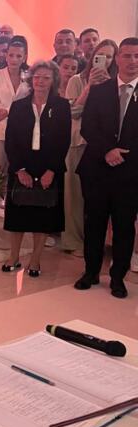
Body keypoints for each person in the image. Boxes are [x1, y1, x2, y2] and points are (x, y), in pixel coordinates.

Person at [75, 37, 138, 299]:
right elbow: (88, 126)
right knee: (94, 223)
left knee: (124, 226)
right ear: (118, 59)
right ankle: (90, 272)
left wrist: (122, 154)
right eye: (127, 55)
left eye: (137, 56)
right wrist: (107, 151)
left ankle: (117, 277)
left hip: (131, 171)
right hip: (97, 169)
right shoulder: (100, 89)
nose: (132, 61)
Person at [1, 60, 71, 277]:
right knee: (17, 215)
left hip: (49, 165)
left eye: (46, 78)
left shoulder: (62, 106)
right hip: (22, 164)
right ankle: (13, 257)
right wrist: (19, 169)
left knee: (43, 216)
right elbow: (10, 140)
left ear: (53, 80)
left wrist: (52, 170)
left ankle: (35, 260)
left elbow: (64, 141)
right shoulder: (18, 106)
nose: (40, 81)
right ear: (31, 79)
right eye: (37, 77)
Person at [62, 40, 118, 256]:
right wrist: (89, 86)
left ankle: (101, 241)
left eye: (109, 56)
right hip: (77, 141)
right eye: (100, 55)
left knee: (100, 197)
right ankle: (74, 241)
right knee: (74, 196)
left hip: (104, 145)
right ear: (93, 56)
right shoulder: (77, 80)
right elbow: (72, 112)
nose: (105, 60)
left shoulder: (117, 83)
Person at [0, 38, 29, 173]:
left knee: (18, 172)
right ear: (6, 55)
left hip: (20, 130)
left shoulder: (30, 77)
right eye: (11, 55)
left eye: (18, 56)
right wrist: (11, 111)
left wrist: (8, 111)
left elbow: (28, 103)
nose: (14, 59)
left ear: (24, 57)